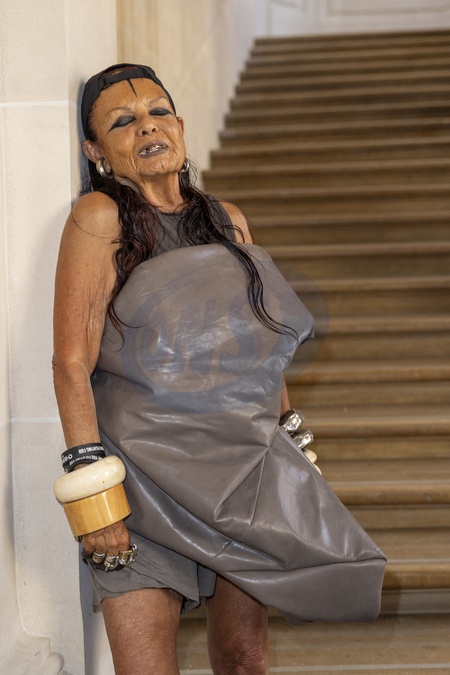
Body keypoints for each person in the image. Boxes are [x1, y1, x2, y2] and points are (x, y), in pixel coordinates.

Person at [53, 64, 383, 674]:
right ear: (95, 151)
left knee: (244, 659)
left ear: (179, 126)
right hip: (140, 484)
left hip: (236, 475)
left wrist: (288, 441)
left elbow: (262, 343)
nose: (147, 127)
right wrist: (92, 491)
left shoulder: (227, 219)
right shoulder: (99, 218)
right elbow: (71, 362)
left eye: (158, 112)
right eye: (123, 122)